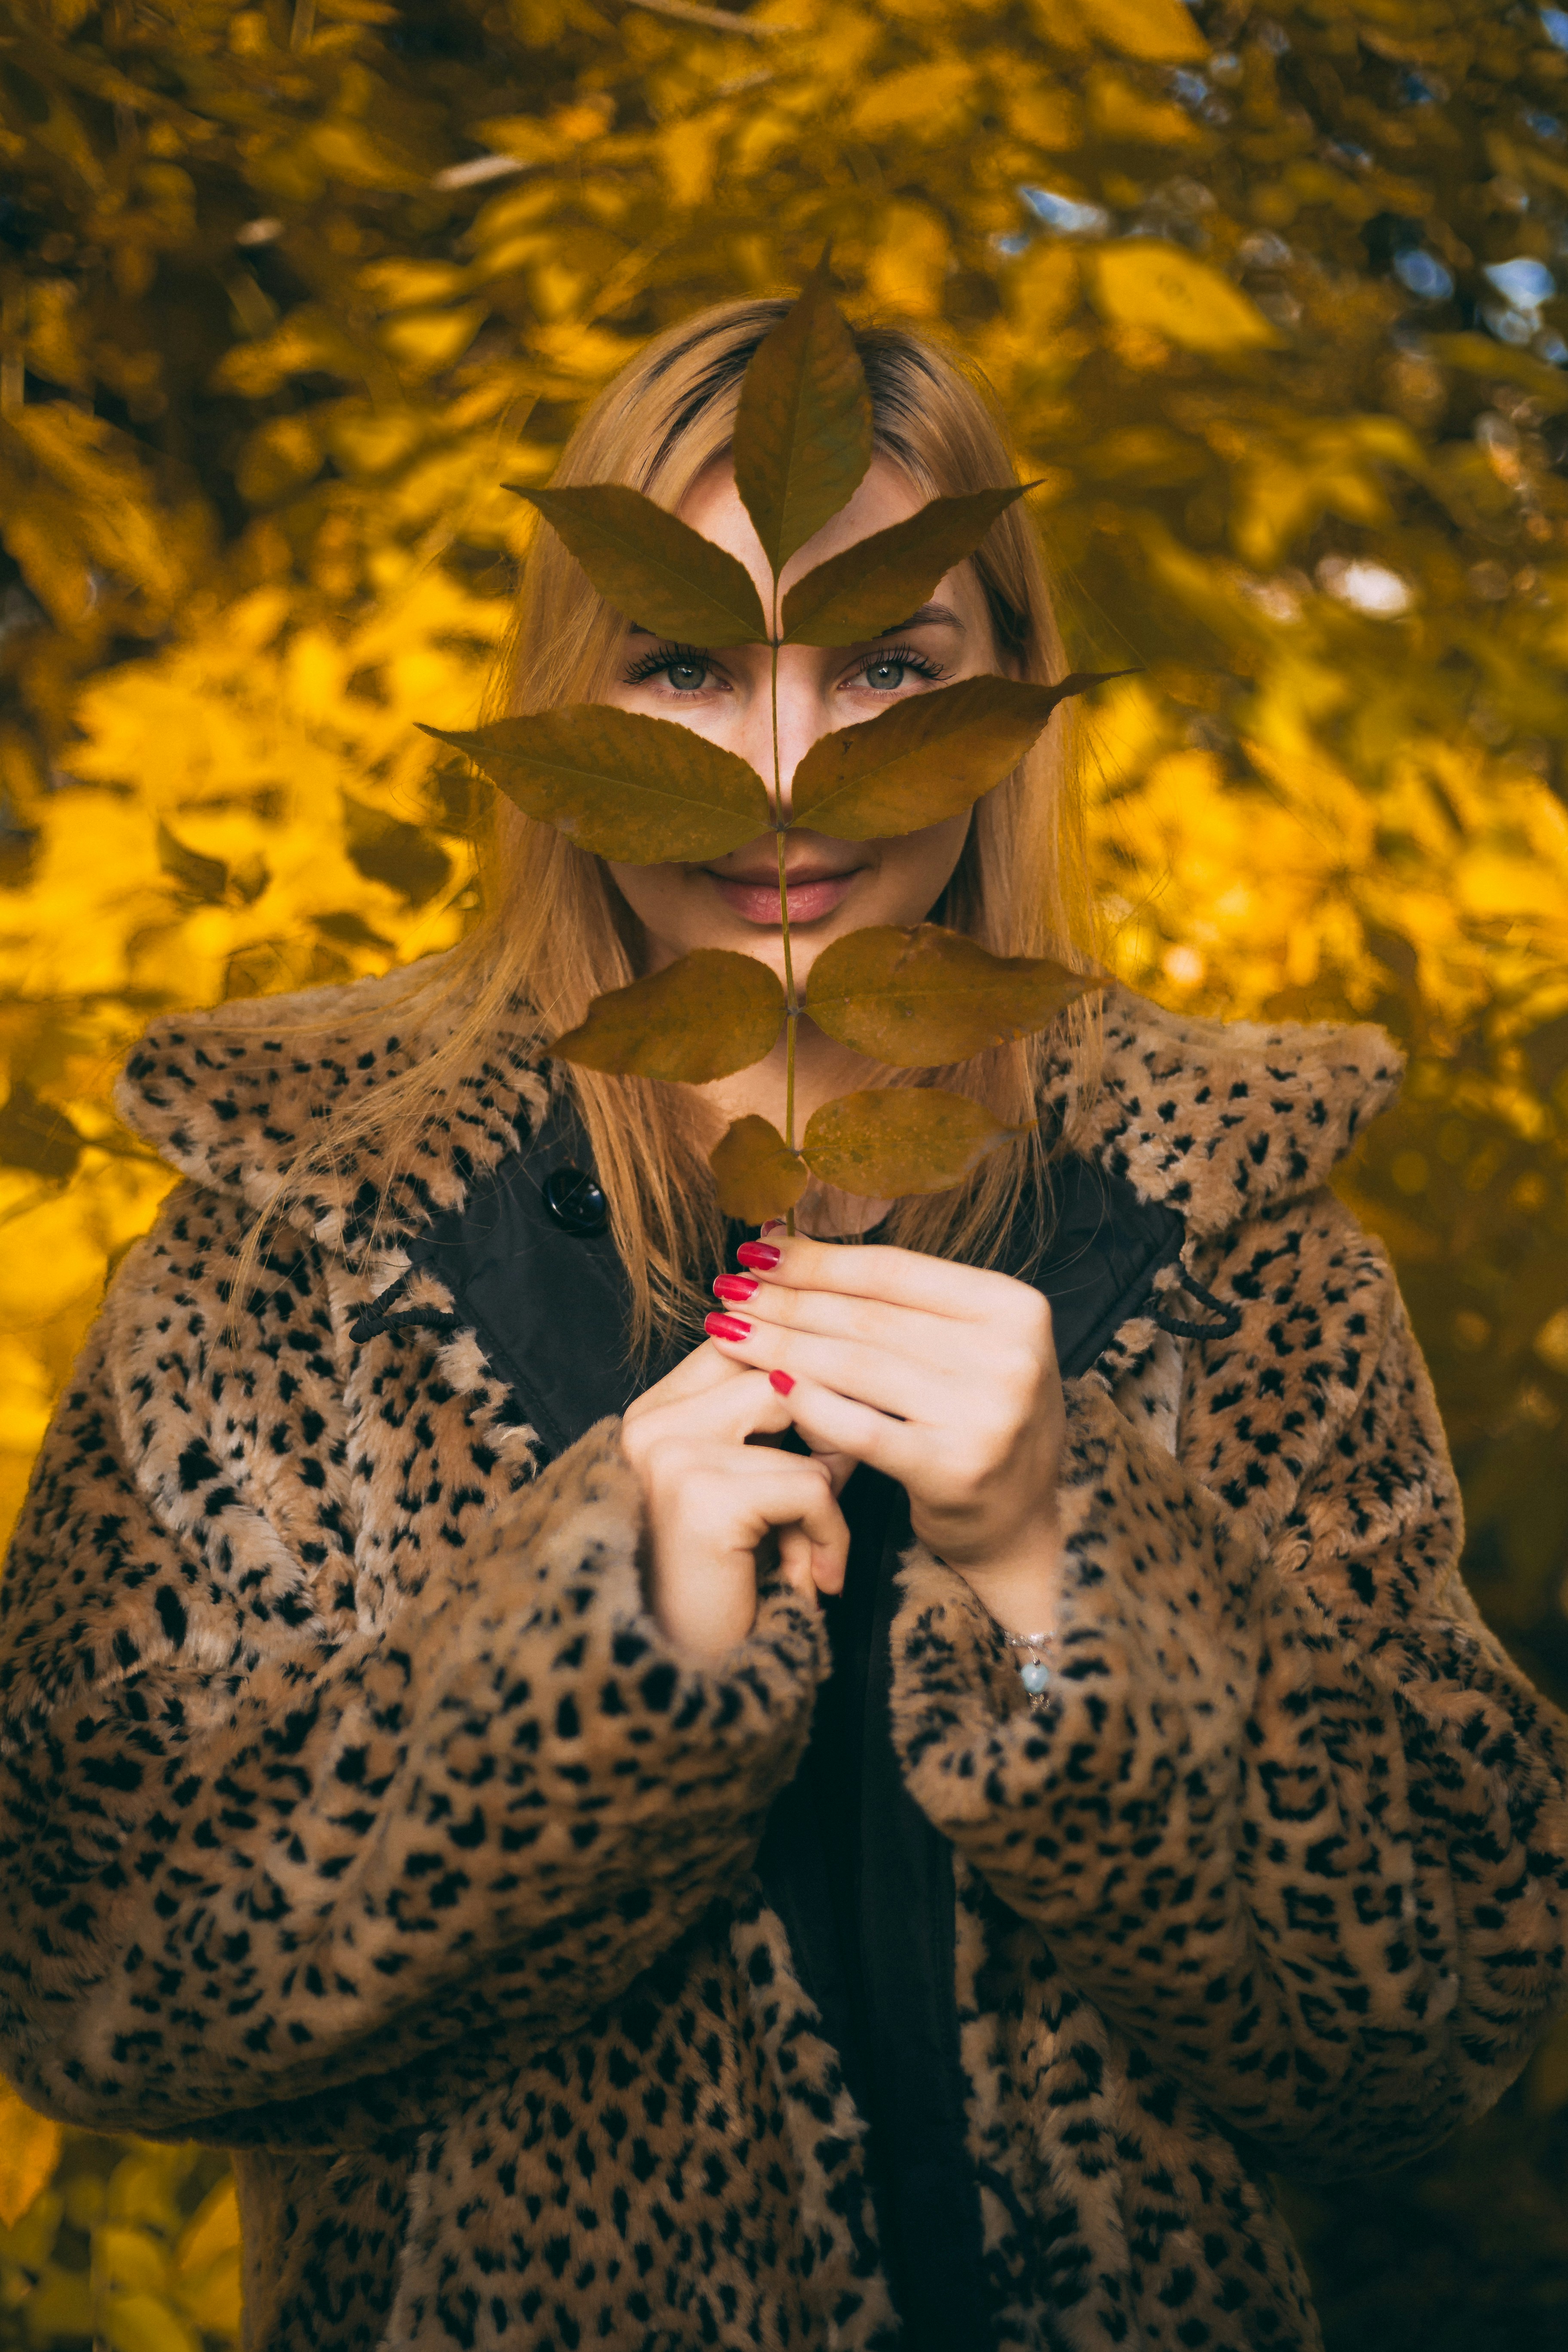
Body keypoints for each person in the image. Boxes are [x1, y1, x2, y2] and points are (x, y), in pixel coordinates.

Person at [1, 301, 1565, 2352]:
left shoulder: (1220, 1233)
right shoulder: (307, 1246)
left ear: (1004, 712)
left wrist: (1061, 1566)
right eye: (685, 667)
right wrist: (589, 1641)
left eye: (888, 670)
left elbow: (1430, 2022)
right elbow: (94, 1975)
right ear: (580, 698)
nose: (789, 772)